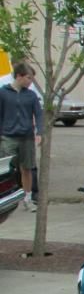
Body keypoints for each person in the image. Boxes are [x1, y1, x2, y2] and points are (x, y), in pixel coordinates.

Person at [0, 62, 43, 213]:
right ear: (19, 76)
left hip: (27, 137)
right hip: (8, 136)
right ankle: (6, 197)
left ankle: (28, 198)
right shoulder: (3, 93)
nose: (30, 81)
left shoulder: (31, 95)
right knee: (6, 168)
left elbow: (38, 114)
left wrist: (39, 132)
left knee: (27, 168)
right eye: (28, 78)